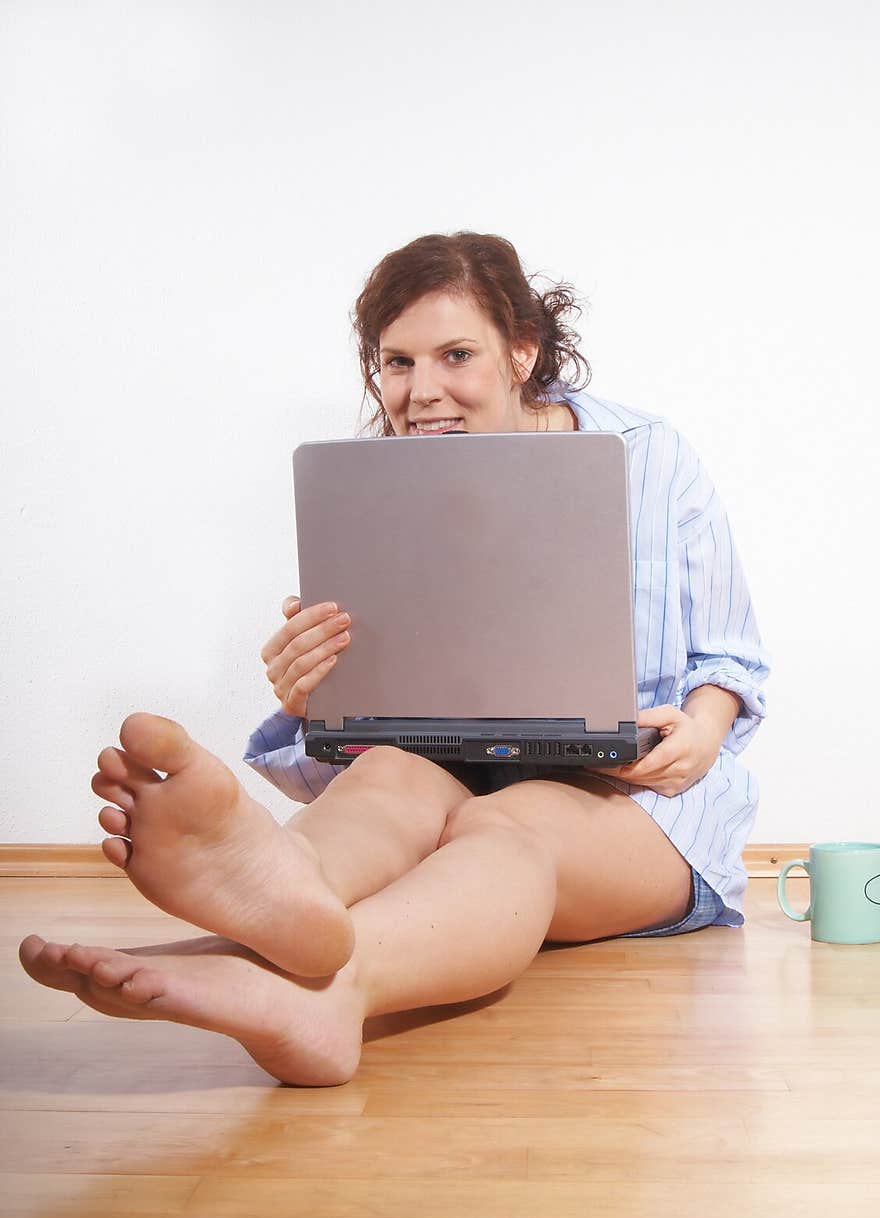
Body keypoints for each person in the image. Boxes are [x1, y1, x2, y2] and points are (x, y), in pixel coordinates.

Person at [19, 232, 769, 1087]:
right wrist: (316, 691)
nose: (422, 393)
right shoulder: (381, 485)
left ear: (523, 349)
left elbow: (732, 658)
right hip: (451, 765)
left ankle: (328, 984)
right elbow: (388, 698)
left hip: (633, 806)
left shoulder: (654, 456)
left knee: (506, 825)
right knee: (384, 778)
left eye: (456, 355)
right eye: (397, 363)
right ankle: (281, 895)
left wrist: (703, 732)